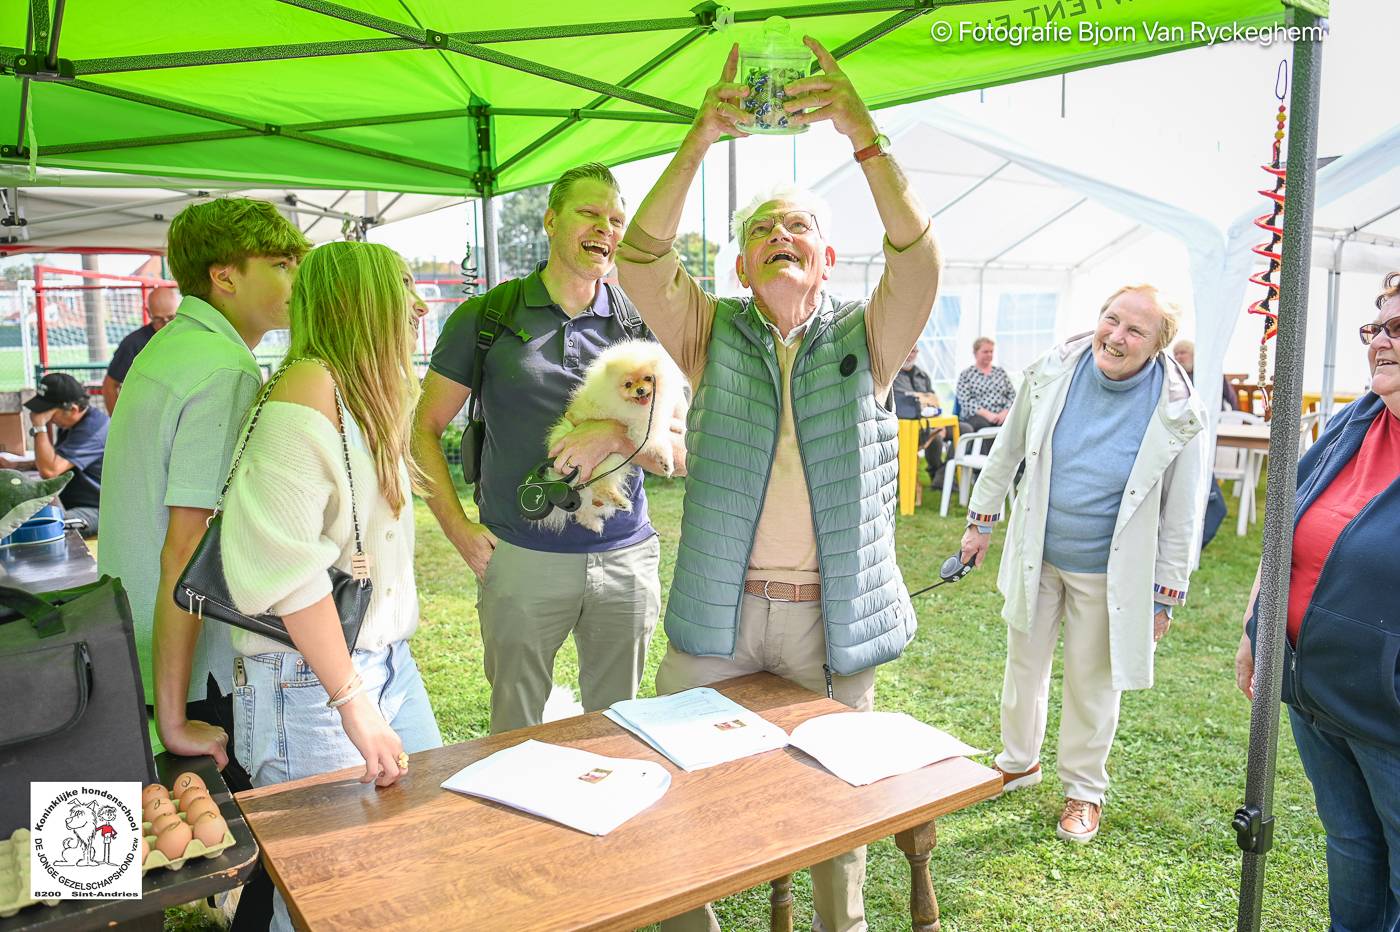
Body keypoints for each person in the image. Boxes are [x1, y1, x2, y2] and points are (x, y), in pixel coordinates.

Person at [617, 38, 939, 931]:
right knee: (681, 796)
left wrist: (860, 134)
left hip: (830, 625)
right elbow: (641, 259)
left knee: (837, 814)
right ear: (740, 267)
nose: (780, 237)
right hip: (720, 620)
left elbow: (917, 258)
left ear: (828, 258)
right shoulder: (709, 332)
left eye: (797, 226)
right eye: (762, 229)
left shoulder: (865, 340)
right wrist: (699, 137)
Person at [413, 162, 684, 735]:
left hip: (625, 558)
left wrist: (614, 435)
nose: (605, 229)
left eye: (616, 219)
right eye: (589, 213)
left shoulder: (640, 324)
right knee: (515, 730)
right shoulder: (486, 318)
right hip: (520, 560)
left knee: (615, 730)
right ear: (550, 220)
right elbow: (422, 431)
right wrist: (460, 531)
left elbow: (674, 453)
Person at [218, 240, 441, 932]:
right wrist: (354, 702)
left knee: (406, 862)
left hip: (374, 669)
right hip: (313, 686)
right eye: (402, 285)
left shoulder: (352, 392)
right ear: (362, 301)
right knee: (331, 895)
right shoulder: (307, 387)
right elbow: (290, 575)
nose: (419, 303)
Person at [960, 284, 1208, 844]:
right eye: (1111, 319)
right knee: (1023, 666)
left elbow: (1181, 514)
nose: (1115, 337)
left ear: (1157, 345)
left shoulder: (1179, 410)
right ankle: (1019, 761)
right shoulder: (1053, 369)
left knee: (1093, 684)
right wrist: (981, 520)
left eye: (1134, 331)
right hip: (1038, 553)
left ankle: (1084, 791)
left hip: (1109, 571)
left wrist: (1165, 595)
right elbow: (1009, 446)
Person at [98, 197, 309, 772]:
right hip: (189, 668)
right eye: (281, 264)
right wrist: (173, 720)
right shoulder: (224, 367)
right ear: (224, 276)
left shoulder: (173, 345)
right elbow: (187, 547)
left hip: (140, 636)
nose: (297, 277)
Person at [1234, 272, 1400, 932]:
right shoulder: (1353, 422)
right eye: (1378, 326)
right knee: (1353, 849)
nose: (1382, 342)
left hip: (1388, 713)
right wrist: (1258, 629)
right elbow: (1284, 528)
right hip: (1318, 695)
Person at [18, 372, 107, 537]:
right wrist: (17, 466)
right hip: (75, 503)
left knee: (50, 527)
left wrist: (39, 427)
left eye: (49, 414)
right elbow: (58, 460)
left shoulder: (92, 431)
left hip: (100, 509)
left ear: (72, 409)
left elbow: (49, 471)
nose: (49, 420)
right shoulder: (74, 424)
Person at [102, 286, 179, 414]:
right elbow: (109, 386)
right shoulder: (133, 344)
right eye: (159, 319)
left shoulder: (190, 336)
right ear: (148, 313)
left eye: (171, 318)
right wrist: (119, 427)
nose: (166, 326)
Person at [892, 345, 947, 494]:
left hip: (925, 426)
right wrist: (923, 398)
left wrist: (940, 424)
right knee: (932, 440)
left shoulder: (923, 376)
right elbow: (901, 401)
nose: (910, 355)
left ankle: (942, 477)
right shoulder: (891, 375)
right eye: (908, 350)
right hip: (901, 429)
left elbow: (934, 401)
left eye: (914, 351)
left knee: (961, 430)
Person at [955, 336, 1016, 432]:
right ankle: (988, 448)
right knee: (984, 426)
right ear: (975, 353)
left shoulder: (1000, 372)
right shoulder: (966, 375)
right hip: (977, 416)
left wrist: (1004, 413)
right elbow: (966, 401)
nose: (989, 354)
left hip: (1002, 414)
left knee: (1014, 423)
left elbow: (1012, 395)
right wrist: (988, 415)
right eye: (985, 352)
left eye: (991, 352)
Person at [1171, 338, 1238, 411]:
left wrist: (1238, 418)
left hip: (1214, 416)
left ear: (1193, 354)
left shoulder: (1210, 373)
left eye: (1182, 352)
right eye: (1176, 354)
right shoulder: (1174, 377)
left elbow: (1231, 397)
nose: (1178, 357)